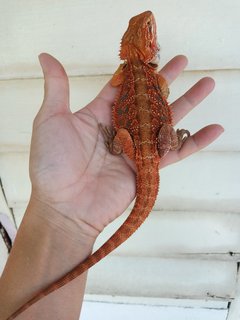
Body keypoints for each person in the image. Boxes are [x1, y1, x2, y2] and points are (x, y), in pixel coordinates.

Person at [0, 53, 224, 319]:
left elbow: (145, 87)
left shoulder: (125, 73)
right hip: (151, 150)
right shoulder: (142, 75)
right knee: (135, 136)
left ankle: (145, 142)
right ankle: (169, 142)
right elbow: (161, 89)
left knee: (123, 137)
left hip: (138, 148)